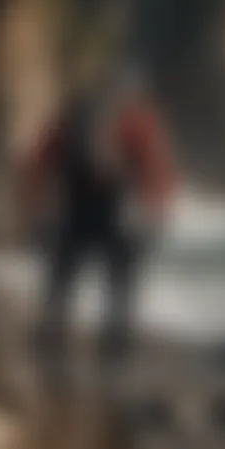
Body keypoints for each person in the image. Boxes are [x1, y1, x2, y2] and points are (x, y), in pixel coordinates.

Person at [18, 63, 177, 358]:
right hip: (116, 209)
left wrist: (33, 207)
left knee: (63, 275)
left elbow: (41, 160)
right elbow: (155, 170)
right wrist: (155, 213)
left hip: (77, 206)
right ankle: (116, 346)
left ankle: (50, 337)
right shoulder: (136, 118)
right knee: (121, 283)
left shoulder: (74, 116)